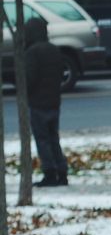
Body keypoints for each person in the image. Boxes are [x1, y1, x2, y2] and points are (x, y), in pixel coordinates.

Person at [24, 17, 69, 188]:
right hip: (54, 101)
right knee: (53, 138)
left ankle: (50, 173)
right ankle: (62, 171)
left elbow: (29, 78)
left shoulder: (32, 52)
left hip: (38, 102)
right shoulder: (54, 50)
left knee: (42, 139)